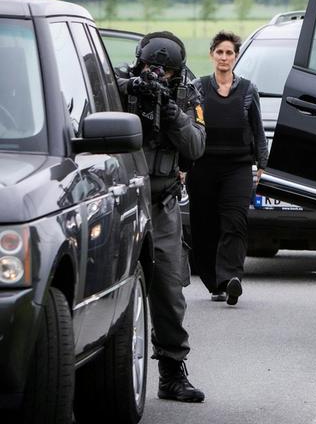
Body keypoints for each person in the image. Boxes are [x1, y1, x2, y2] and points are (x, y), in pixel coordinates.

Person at [115, 31, 207, 403]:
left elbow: (197, 146)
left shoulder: (187, 93)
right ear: (140, 62)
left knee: (168, 289)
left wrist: (171, 113)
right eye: (152, 68)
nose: (158, 76)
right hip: (123, 198)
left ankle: (171, 372)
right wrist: (129, 90)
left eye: (166, 72)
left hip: (162, 200)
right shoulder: (118, 79)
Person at [188, 31, 270, 306]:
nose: (224, 58)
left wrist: (262, 163)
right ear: (212, 55)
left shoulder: (248, 90)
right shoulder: (197, 88)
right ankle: (214, 281)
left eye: (229, 53)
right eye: (220, 52)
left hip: (237, 167)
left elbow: (257, 129)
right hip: (202, 167)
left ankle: (231, 278)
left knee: (234, 221)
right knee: (204, 226)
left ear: (236, 57)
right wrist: (183, 164)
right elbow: (187, 128)